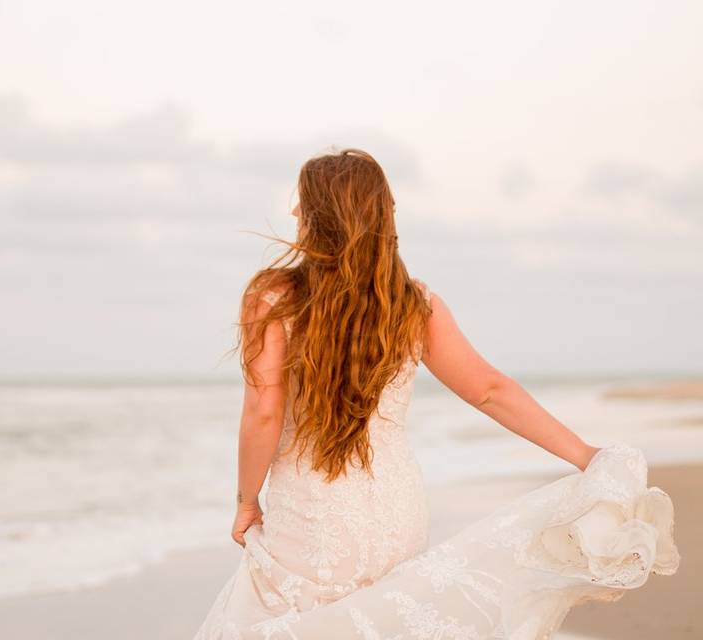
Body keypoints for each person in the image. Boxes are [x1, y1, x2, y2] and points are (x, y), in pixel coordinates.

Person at [193, 148, 679, 640]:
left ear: (323, 215)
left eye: (302, 202)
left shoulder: (275, 297)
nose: (294, 212)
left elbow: (263, 410)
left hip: (312, 516)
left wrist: (246, 500)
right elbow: (489, 390)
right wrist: (584, 454)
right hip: (395, 513)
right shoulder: (412, 304)